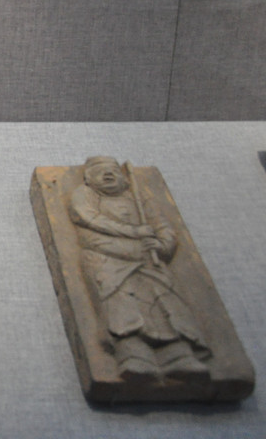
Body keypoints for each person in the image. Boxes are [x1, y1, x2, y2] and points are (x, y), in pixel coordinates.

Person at [69, 156, 210, 381]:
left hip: (149, 262)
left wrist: (161, 245)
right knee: (122, 305)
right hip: (108, 261)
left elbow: (162, 226)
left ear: (123, 177)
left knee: (164, 302)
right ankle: (133, 355)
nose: (108, 174)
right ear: (88, 178)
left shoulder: (136, 196)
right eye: (101, 171)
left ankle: (178, 355)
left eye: (113, 171)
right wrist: (133, 234)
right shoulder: (84, 195)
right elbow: (89, 219)